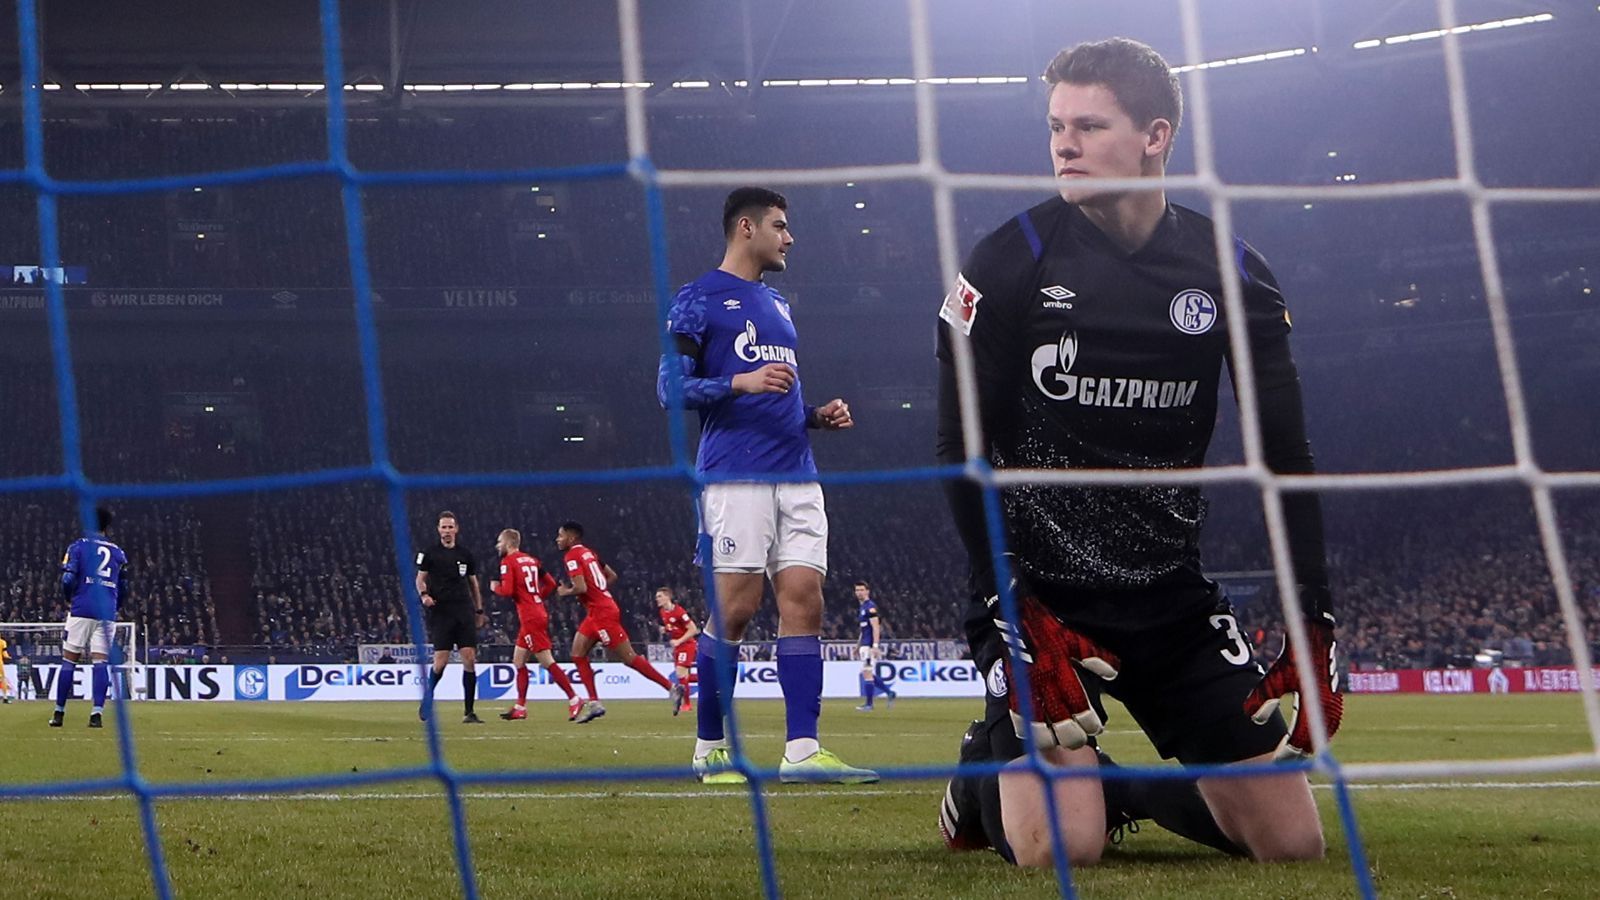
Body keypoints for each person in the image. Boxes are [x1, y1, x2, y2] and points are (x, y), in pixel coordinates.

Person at [934, 38, 1341, 866]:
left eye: (1089, 125)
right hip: (1039, 603)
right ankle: (980, 768)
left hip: (1169, 600)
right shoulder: (1007, 261)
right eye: (1056, 126)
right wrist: (1008, 604)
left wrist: (1314, 614)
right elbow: (956, 447)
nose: (1064, 144)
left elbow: (1284, 452)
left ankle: (1110, 784)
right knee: (1064, 853)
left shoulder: (1231, 271)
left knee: (1292, 846)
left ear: (1155, 135)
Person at [657, 186, 877, 785]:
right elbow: (669, 390)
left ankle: (802, 750)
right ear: (746, 228)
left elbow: (781, 391)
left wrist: (814, 415)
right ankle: (709, 749)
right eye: (780, 225)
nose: (790, 237)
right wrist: (740, 383)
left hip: (799, 473)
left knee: (805, 600)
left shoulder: (778, 305)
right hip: (736, 474)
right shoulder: (696, 299)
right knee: (736, 610)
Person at [554, 522, 676, 723]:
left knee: (629, 658)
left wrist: (565, 592)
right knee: (577, 653)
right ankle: (594, 703)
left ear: (571, 537)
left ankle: (672, 687)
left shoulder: (571, 556)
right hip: (597, 611)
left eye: (560, 535)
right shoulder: (589, 553)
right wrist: (599, 591)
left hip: (602, 614)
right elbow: (612, 576)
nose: (557, 539)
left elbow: (581, 587)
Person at [489, 528, 582, 721]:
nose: (498, 545)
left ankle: (574, 699)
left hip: (530, 616)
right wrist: (536, 598)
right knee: (519, 661)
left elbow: (507, 591)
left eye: (500, 542)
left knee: (547, 661)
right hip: (535, 612)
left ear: (508, 543)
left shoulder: (508, 562)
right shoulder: (532, 560)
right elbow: (550, 584)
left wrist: (495, 587)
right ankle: (520, 707)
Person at [51, 507, 128, 728]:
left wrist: (69, 599)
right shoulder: (118, 553)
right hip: (107, 613)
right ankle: (96, 715)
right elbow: (124, 586)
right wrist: (115, 606)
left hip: (81, 608)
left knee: (69, 660)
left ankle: (59, 713)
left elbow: (67, 579)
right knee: (100, 662)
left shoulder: (77, 547)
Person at [415, 510, 486, 724]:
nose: (447, 531)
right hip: (442, 612)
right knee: (441, 663)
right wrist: (424, 595)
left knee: (470, 659)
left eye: (450, 527)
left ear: (456, 529)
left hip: (463, 610)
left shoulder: (465, 555)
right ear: (438, 529)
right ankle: (428, 699)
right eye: (443, 527)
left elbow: (473, 584)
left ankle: (469, 712)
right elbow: (419, 579)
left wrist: (479, 610)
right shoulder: (429, 553)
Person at [853, 581, 896, 711]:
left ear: (867, 591)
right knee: (868, 672)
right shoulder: (862, 608)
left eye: (861, 590)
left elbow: (875, 627)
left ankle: (869, 704)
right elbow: (863, 630)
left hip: (870, 646)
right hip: (864, 645)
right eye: (857, 590)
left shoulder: (870, 607)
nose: (859, 592)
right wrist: (857, 645)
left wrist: (875, 645)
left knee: (867, 673)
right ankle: (889, 692)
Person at [656, 586, 699, 715]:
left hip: (687, 644)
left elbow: (693, 629)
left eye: (660, 596)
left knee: (680, 673)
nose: (657, 599)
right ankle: (711, 679)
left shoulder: (679, 612)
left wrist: (679, 641)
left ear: (668, 597)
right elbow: (674, 627)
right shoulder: (663, 612)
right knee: (683, 676)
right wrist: (666, 630)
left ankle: (686, 704)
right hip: (678, 646)